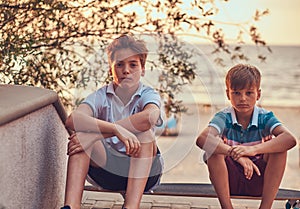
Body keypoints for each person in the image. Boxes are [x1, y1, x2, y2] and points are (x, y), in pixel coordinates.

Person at [60, 34, 164, 209]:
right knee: (82, 134)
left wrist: (98, 134)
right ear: (111, 69)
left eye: (133, 65)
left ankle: (130, 206)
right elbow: (73, 119)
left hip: (145, 173)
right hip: (107, 171)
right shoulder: (102, 96)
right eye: (119, 64)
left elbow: (149, 118)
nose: (126, 70)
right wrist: (115, 129)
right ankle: (71, 206)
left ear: (143, 69)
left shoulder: (148, 94)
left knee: (145, 134)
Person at [196, 64, 297, 209]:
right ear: (228, 94)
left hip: (259, 181)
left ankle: (265, 208)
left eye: (249, 93)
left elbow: (290, 139)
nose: (243, 98)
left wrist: (253, 150)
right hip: (228, 182)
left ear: (258, 95)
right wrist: (236, 154)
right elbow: (202, 138)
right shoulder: (224, 117)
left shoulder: (265, 117)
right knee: (213, 149)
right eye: (236, 93)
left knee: (280, 149)